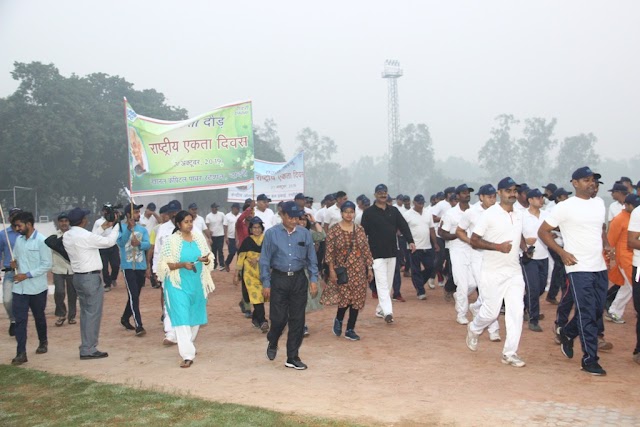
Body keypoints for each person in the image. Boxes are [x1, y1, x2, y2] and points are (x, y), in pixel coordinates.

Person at [538, 166, 611, 376]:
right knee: (587, 313)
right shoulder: (564, 207)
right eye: (587, 180)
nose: (591, 183)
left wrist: (606, 245)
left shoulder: (599, 204)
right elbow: (543, 231)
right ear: (575, 183)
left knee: (597, 311)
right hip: (579, 268)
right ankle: (589, 359)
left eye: (593, 180)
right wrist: (561, 253)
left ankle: (568, 333)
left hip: (599, 267)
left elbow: (600, 229)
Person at [466, 177, 527, 368]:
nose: (512, 194)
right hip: (492, 271)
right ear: (499, 193)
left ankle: (510, 353)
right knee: (491, 313)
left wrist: (525, 248)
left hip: (514, 271)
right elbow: (474, 240)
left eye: (515, 190)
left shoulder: (519, 213)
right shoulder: (489, 214)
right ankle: (474, 328)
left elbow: (519, 233)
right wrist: (497, 247)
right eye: (508, 190)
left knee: (516, 312)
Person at [260, 201, 318, 370]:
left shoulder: (305, 234)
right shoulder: (271, 234)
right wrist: (266, 283)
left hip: (299, 280)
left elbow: (312, 259)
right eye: (291, 217)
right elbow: (264, 260)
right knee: (278, 319)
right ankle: (273, 339)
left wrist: (313, 279)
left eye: (297, 218)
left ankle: (292, 356)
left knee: (298, 320)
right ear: (282, 215)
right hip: (279, 279)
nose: (294, 221)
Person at [158, 210, 215, 368]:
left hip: (196, 284)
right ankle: (187, 354)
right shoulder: (171, 241)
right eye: (186, 222)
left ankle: (189, 345)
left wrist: (204, 260)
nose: (190, 224)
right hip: (177, 284)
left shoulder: (198, 239)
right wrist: (182, 265)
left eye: (191, 221)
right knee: (182, 318)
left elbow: (208, 257)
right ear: (178, 224)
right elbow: (164, 264)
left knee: (195, 318)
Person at [63, 207, 119, 360]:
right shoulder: (85, 236)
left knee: (86, 314)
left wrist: (104, 226)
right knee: (93, 314)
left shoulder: (67, 235)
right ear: (83, 221)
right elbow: (109, 242)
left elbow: (91, 238)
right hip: (90, 278)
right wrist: (117, 225)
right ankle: (89, 348)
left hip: (78, 277)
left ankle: (86, 346)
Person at [361, 184, 415, 324]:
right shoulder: (368, 213)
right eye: (380, 192)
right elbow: (362, 234)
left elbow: (403, 226)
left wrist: (410, 241)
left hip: (392, 252)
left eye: (385, 192)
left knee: (389, 283)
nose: (383, 195)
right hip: (376, 254)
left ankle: (380, 309)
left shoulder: (394, 211)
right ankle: (388, 312)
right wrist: (363, 252)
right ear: (375, 195)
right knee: (382, 283)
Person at [322, 201, 374, 340]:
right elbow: (330, 252)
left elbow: (366, 250)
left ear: (354, 213)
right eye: (346, 212)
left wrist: (369, 268)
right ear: (341, 213)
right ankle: (339, 319)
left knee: (357, 300)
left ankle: (350, 329)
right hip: (342, 270)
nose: (349, 215)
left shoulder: (360, 229)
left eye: (351, 212)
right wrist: (331, 270)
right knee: (345, 299)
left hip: (359, 271)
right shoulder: (334, 230)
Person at [456, 184, 501, 342]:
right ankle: (494, 329)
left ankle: (475, 307)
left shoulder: (499, 211)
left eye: (494, 196)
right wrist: (471, 241)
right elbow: (459, 230)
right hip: (477, 256)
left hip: (494, 255)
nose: (493, 200)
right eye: (489, 197)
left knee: (493, 289)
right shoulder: (471, 213)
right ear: (481, 197)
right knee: (486, 291)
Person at [9, 211, 52, 365]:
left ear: (28, 224)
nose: (17, 228)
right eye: (15, 226)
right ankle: (21, 352)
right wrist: (14, 265)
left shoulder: (42, 241)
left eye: (19, 225)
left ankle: (43, 341)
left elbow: (47, 264)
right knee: (20, 320)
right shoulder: (19, 241)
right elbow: (16, 259)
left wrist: (27, 275)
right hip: (19, 289)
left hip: (37, 288)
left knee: (39, 316)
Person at [440, 184, 474, 323]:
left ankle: (459, 296)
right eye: (464, 193)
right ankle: (461, 314)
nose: (467, 195)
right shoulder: (451, 213)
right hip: (457, 250)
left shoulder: (476, 211)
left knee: (474, 283)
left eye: (468, 192)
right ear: (458, 195)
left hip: (474, 249)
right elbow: (441, 232)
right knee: (462, 283)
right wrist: (458, 235)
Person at [117, 203, 150, 336]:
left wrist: (140, 244)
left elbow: (148, 244)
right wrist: (128, 230)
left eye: (138, 212)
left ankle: (125, 318)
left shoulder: (142, 230)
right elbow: (120, 243)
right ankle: (139, 325)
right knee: (134, 295)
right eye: (136, 212)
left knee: (134, 295)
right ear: (128, 214)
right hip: (128, 267)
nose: (138, 215)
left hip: (140, 266)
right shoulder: (121, 228)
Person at [606, 194, 639, 325]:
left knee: (626, 287)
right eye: (634, 205)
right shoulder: (619, 219)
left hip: (634, 258)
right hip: (625, 259)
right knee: (634, 287)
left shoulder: (635, 216)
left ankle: (614, 311)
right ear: (626, 205)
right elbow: (610, 239)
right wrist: (609, 254)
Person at [521, 189, 550, 332]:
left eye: (542, 197)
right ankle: (533, 319)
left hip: (544, 256)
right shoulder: (522, 216)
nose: (541, 200)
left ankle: (523, 305)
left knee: (541, 287)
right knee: (532, 287)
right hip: (528, 257)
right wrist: (525, 242)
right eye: (538, 198)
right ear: (530, 200)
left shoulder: (546, 215)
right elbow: (517, 233)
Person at [234, 217, 268, 332]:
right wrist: (236, 274)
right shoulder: (247, 241)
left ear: (262, 228)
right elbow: (240, 258)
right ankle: (263, 321)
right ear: (250, 229)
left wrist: (258, 258)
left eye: (259, 227)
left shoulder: (267, 240)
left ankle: (255, 318)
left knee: (262, 296)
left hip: (264, 273)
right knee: (256, 296)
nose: (257, 230)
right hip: (250, 275)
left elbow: (272, 254)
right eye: (254, 227)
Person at [403, 194, 438, 299]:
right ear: (414, 203)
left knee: (430, 267)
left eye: (422, 203)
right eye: (419, 203)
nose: (421, 205)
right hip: (414, 247)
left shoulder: (428, 213)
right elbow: (403, 230)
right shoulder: (407, 215)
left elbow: (431, 229)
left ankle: (419, 282)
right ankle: (420, 291)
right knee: (416, 269)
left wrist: (435, 243)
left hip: (427, 246)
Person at [51, 212, 77, 327]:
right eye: (61, 221)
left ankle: (71, 316)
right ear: (58, 223)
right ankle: (61, 314)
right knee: (59, 292)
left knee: (72, 294)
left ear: (69, 222)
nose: (64, 223)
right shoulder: (53, 236)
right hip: (58, 269)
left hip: (72, 269)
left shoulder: (74, 235)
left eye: (66, 221)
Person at [1, 207, 23, 336]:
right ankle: (13, 320)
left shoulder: (25, 232)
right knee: (7, 300)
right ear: (9, 218)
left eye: (18, 215)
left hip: (24, 272)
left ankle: (20, 322)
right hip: (10, 272)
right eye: (13, 216)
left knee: (22, 301)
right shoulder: (3, 234)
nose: (15, 218)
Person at [93, 204, 121, 291]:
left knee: (116, 264)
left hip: (113, 245)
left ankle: (113, 278)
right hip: (102, 246)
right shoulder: (98, 222)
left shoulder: (116, 220)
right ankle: (107, 284)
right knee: (104, 267)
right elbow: (94, 234)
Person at [205, 203, 227, 270]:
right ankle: (214, 265)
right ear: (212, 208)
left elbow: (225, 223)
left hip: (220, 235)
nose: (216, 209)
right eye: (215, 207)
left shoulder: (221, 214)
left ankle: (222, 265)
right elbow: (207, 226)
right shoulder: (208, 216)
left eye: (217, 207)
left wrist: (225, 234)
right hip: (213, 236)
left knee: (220, 250)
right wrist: (209, 234)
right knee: (213, 251)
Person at [223, 203, 241, 272]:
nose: (238, 210)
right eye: (237, 208)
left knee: (240, 253)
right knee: (232, 252)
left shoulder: (240, 215)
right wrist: (226, 237)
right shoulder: (227, 216)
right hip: (231, 237)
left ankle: (239, 268)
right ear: (233, 208)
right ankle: (227, 263)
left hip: (239, 237)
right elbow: (225, 226)